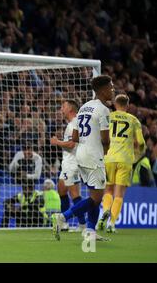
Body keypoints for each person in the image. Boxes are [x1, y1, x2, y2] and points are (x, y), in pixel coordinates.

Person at [51, 75, 115, 241]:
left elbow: (75, 137)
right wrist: (106, 151)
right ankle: (63, 217)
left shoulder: (85, 107)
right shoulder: (103, 109)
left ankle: (90, 231)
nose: (113, 90)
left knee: (93, 194)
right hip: (94, 156)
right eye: (111, 87)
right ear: (102, 90)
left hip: (81, 155)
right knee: (96, 197)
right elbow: (105, 139)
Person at [97, 94, 146, 232]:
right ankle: (111, 224)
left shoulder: (109, 116)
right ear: (128, 105)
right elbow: (141, 143)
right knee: (119, 194)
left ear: (114, 103)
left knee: (108, 190)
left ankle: (105, 211)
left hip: (108, 158)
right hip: (125, 160)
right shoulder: (133, 120)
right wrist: (137, 155)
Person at [50, 99, 86, 231]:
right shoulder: (72, 124)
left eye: (63, 106)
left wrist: (57, 142)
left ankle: (82, 224)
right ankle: (65, 224)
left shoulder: (73, 124)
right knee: (61, 189)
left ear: (71, 109)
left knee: (74, 193)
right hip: (68, 163)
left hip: (73, 163)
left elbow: (71, 145)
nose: (61, 109)